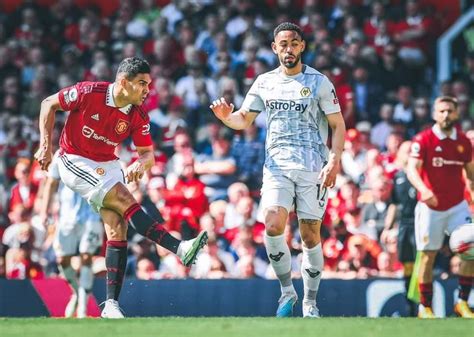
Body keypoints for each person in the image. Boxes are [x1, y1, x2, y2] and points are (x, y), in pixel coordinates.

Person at [34, 57, 208, 318]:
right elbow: (48, 103)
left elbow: (147, 154)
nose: (147, 90)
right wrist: (45, 146)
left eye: (148, 84)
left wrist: (142, 164)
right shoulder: (88, 92)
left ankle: (111, 305)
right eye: (141, 84)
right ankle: (179, 248)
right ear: (123, 83)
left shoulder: (138, 114)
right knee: (122, 198)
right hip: (73, 158)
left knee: (117, 225)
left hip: (107, 163)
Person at [210, 22, 346, 317]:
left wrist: (334, 160)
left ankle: (310, 302)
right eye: (282, 44)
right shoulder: (264, 82)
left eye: (294, 43)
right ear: (274, 48)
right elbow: (243, 119)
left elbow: (337, 125)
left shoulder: (320, 82)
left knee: (310, 235)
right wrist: (226, 117)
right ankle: (287, 292)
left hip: (313, 167)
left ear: (302, 46)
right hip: (277, 167)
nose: (288, 49)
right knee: (272, 225)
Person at [406, 96, 474, 318]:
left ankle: (462, 302)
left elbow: (471, 175)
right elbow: (412, 170)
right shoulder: (423, 139)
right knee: (427, 255)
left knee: (470, 251)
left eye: (450, 111)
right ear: (435, 114)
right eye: (442, 111)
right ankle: (425, 307)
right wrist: (423, 190)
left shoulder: (463, 142)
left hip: (457, 207)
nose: (446, 115)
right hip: (430, 208)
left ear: (456, 114)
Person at [40, 151, 104, 318]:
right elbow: (51, 183)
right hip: (66, 217)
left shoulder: (97, 148)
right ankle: (77, 292)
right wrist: (44, 211)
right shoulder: (61, 154)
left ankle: (82, 309)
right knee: (62, 259)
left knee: (86, 257)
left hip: (92, 214)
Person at [381, 141, 417, 316]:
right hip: (404, 226)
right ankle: (410, 305)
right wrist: (387, 227)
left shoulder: (422, 175)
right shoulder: (398, 177)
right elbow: (394, 204)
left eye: (412, 151)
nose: (409, 154)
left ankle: (424, 303)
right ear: (400, 155)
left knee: (422, 264)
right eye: (406, 151)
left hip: (420, 224)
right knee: (407, 265)